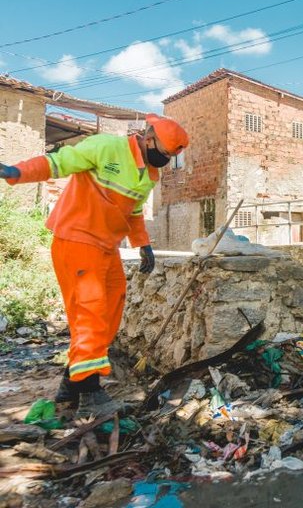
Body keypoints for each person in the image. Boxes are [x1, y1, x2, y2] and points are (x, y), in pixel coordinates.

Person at [0, 114, 188, 418]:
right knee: (90, 312)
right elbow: (58, 162)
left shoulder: (149, 174)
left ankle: (71, 385)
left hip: (105, 246)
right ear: (147, 137)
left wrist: (144, 245)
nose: (164, 160)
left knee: (112, 308)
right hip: (76, 240)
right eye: (163, 153)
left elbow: (134, 211)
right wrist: (16, 171)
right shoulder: (106, 147)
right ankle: (90, 394)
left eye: (169, 157)